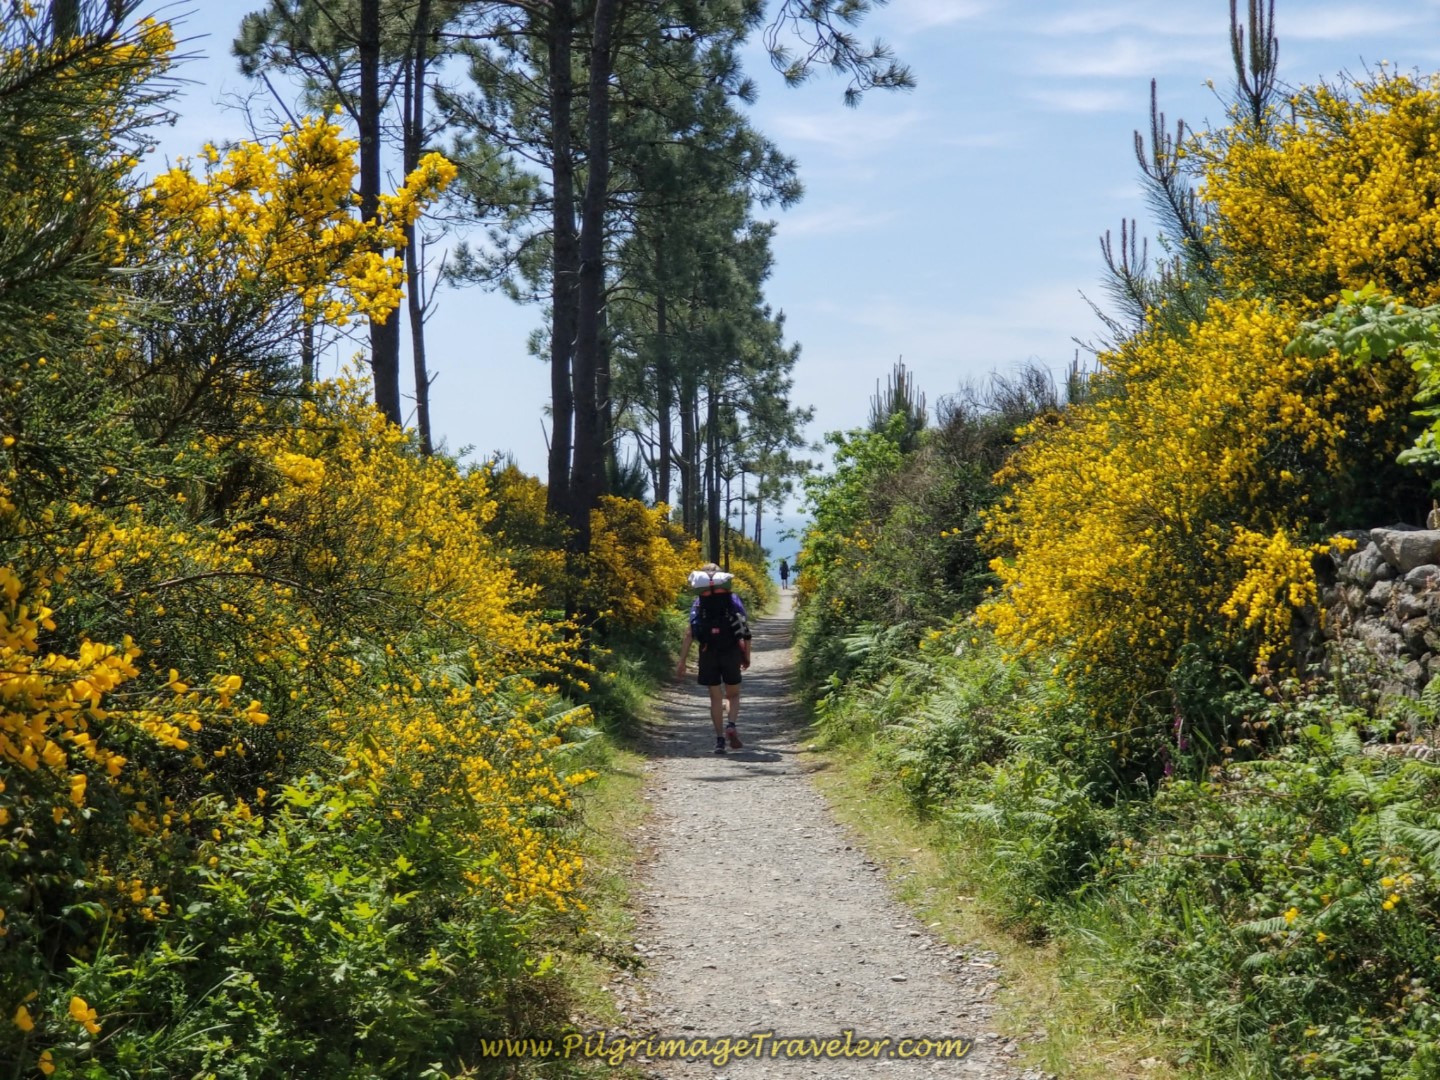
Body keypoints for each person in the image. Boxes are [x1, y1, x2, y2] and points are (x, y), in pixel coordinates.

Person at [676, 563, 752, 753]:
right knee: (733, 694)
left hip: (707, 652)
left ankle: (719, 740)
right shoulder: (732, 599)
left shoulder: (699, 602)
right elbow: (744, 630)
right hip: (731, 651)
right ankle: (731, 725)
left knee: (715, 698)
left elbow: (689, 633)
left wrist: (682, 661)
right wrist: (746, 656)